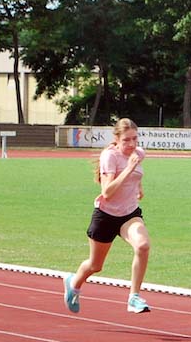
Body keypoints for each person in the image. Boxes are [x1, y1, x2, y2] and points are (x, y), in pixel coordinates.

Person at [64, 118, 152, 314]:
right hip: (106, 215)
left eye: (135, 139)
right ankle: (74, 283)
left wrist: (139, 188)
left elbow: (138, 174)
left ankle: (134, 297)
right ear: (117, 139)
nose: (131, 145)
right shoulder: (109, 157)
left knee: (143, 245)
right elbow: (107, 192)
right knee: (95, 265)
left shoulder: (139, 154)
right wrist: (128, 168)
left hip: (129, 214)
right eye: (126, 140)